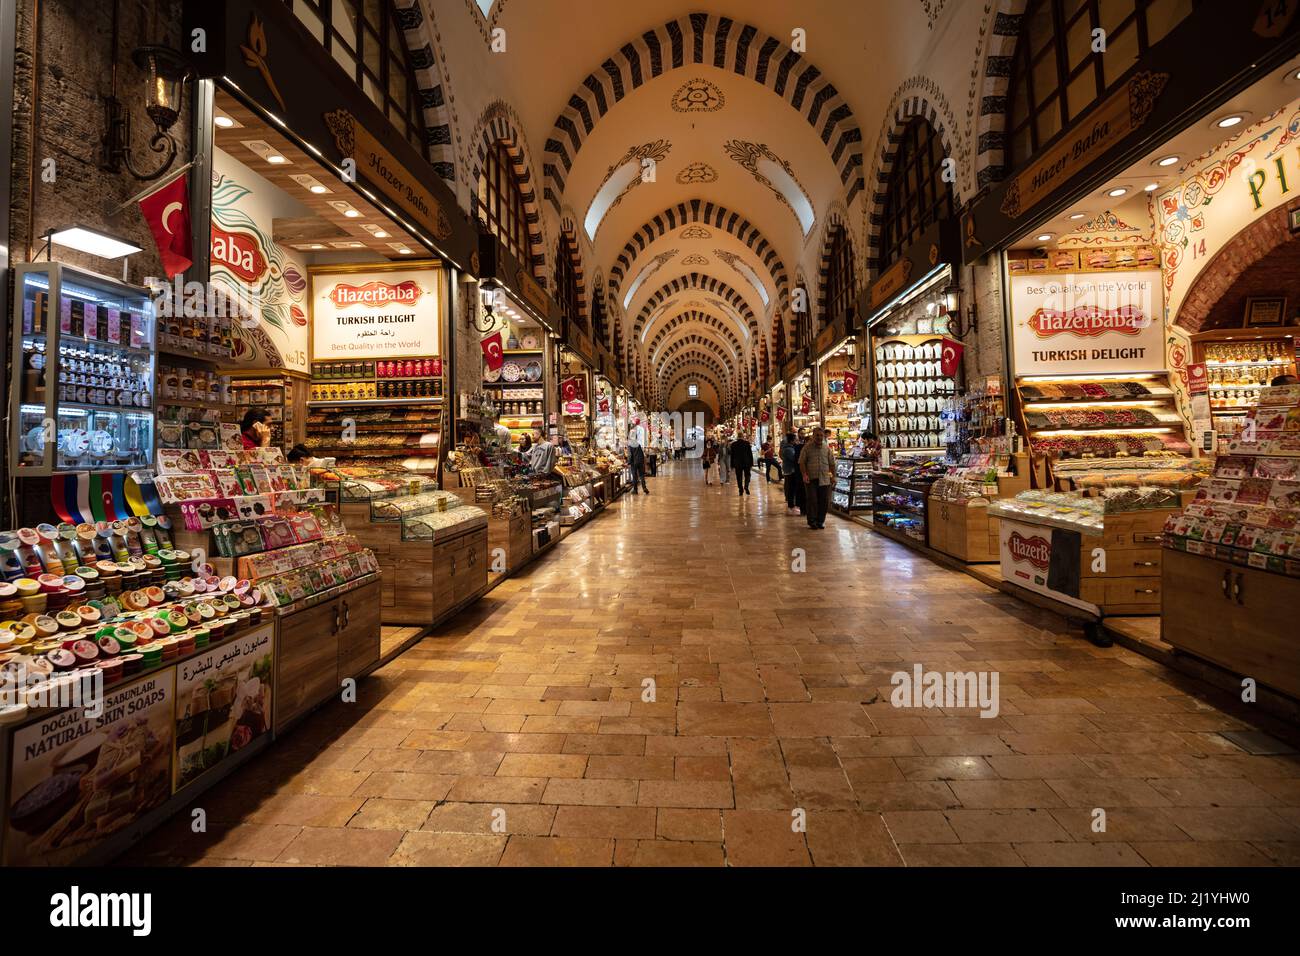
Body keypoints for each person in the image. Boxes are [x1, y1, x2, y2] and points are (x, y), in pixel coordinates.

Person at [799, 426, 834, 529]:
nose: (819, 437)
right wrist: (804, 474)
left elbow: (832, 463)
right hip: (811, 479)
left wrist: (833, 476)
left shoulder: (826, 448)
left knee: (824, 501)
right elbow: (802, 462)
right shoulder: (807, 448)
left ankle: (820, 521)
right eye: (817, 435)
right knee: (812, 500)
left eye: (821, 435)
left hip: (824, 478)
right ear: (813, 436)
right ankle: (812, 521)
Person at [779, 431, 804, 515]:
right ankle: (791, 505)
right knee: (791, 488)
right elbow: (794, 459)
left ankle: (792, 504)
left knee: (790, 488)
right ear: (792, 440)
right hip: (790, 470)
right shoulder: (789, 449)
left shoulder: (789, 448)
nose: (797, 441)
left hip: (789, 470)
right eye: (795, 439)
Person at [626, 425, 650, 494]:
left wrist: (628, 462)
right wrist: (643, 461)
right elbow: (641, 453)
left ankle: (635, 490)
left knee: (635, 476)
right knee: (642, 475)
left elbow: (630, 455)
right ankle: (644, 487)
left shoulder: (630, 444)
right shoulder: (637, 444)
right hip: (640, 461)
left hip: (634, 462)